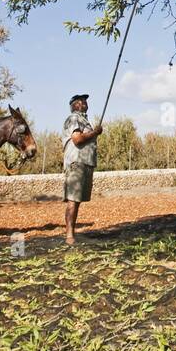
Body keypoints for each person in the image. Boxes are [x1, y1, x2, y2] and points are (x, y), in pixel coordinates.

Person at [62, 93, 103, 245]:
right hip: (77, 163)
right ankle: (69, 236)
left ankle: (72, 234)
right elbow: (77, 139)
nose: (85, 102)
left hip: (85, 163)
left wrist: (93, 133)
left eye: (85, 100)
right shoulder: (74, 118)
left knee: (77, 200)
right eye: (81, 101)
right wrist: (95, 133)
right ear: (74, 105)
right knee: (73, 200)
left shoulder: (84, 120)